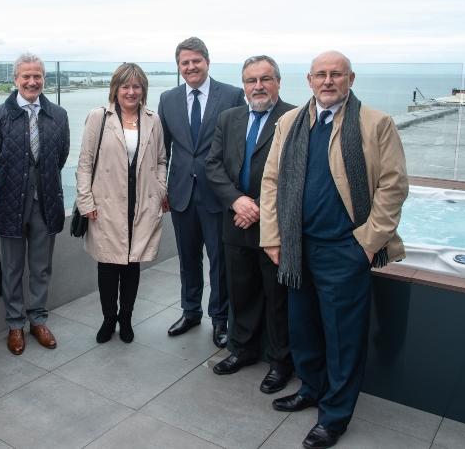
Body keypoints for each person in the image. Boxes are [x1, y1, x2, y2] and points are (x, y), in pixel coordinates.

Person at [260, 51, 409, 449]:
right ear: (309, 80)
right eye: (320, 75)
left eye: (336, 74)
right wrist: (272, 237)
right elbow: (271, 182)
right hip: (296, 249)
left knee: (343, 339)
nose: (328, 81)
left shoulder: (376, 123)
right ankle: (311, 388)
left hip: (345, 251)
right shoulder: (289, 123)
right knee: (303, 329)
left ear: (350, 78)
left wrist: (367, 245)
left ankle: (336, 415)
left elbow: (393, 188)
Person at [205, 55, 295, 393]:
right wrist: (236, 201)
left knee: (277, 296)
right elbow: (213, 165)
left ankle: (279, 361)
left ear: (278, 82)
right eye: (251, 80)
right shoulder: (228, 118)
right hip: (236, 221)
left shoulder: (295, 117)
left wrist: (259, 206)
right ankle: (241, 349)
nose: (258, 86)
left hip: (275, 226)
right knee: (239, 291)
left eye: (265, 79)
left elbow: (298, 173)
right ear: (243, 86)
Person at [157, 36, 245, 348]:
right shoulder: (167, 99)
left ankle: (219, 319)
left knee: (219, 259)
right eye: (185, 63)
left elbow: (238, 149)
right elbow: (163, 150)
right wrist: (162, 187)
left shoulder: (233, 95)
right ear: (179, 67)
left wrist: (235, 194)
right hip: (180, 192)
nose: (191, 67)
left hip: (218, 195)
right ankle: (190, 311)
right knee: (188, 258)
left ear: (207, 61)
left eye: (196, 61)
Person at [0, 53, 70, 355]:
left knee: (41, 267)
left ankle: (38, 319)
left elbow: (60, 157)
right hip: (9, 204)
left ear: (44, 78)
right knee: (12, 269)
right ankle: (15, 325)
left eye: (38, 76)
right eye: (26, 76)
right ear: (15, 79)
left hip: (46, 203)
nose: (32, 82)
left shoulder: (58, 115)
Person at [76, 63, 168, 343]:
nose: (131, 91)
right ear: (115, 89)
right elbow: (84, 163)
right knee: (107, 267)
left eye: (136, 86)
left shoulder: (153, 119)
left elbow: (162, 159)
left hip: (141, 205)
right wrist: (85, 200)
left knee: (132, 267)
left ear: (143, 90)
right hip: (105, 205)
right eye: (125, 86)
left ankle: (126, 319)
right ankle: (108, 319)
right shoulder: (98, 117)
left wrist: (160, 188)